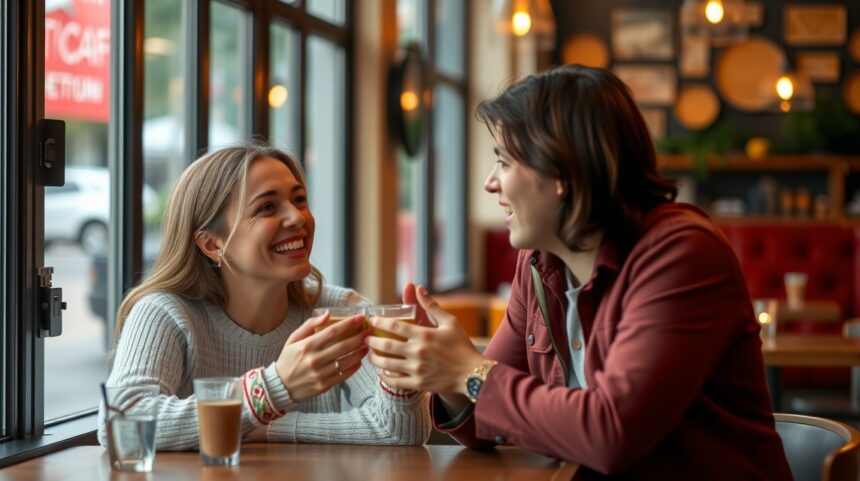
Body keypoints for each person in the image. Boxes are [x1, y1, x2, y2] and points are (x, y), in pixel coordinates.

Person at [366, 65, 792, 478]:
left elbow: (612, 433)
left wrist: (467, 371)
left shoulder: (682, 255)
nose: (490, 183)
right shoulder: (538, 264)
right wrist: (438, 369)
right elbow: (485, 420)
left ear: (561, 173)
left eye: (505, 162)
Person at [98, 144, 430, 450]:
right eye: (267, 207)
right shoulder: (164, 313)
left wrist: (268, 427)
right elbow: (121, 422)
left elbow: (398, 431)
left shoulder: (341, 310)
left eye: (299, 199)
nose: (297, 217)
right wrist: (275, 386)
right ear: (212, 244)